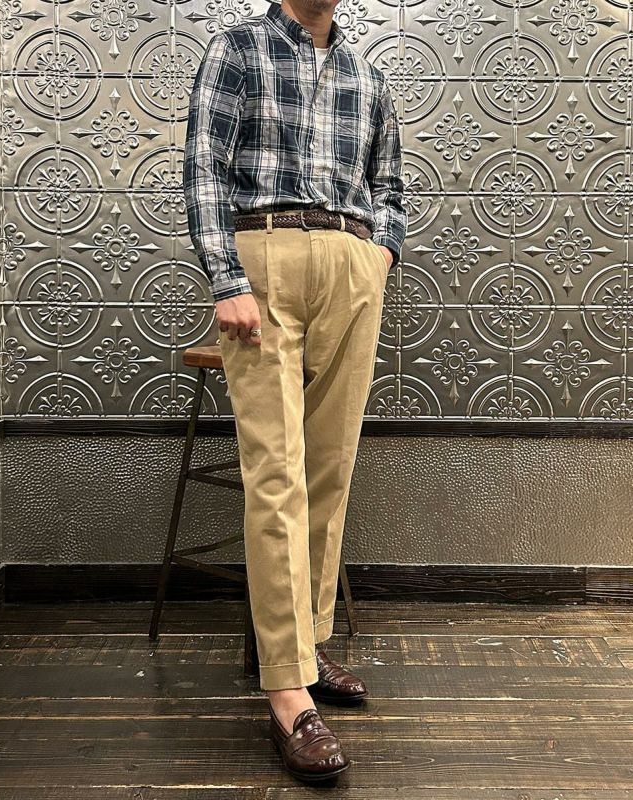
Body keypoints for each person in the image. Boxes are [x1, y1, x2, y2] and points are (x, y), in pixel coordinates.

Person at [182, 0, 407, 782]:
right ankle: (286, 691)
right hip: (264, 254)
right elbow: (205, 169)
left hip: (350, 262)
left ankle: (304, 647)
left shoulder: (367, 75)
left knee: (329, 469)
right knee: (276, 473)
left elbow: (391, 188)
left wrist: (378, 258)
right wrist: (226, 278)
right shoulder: (238, 50)